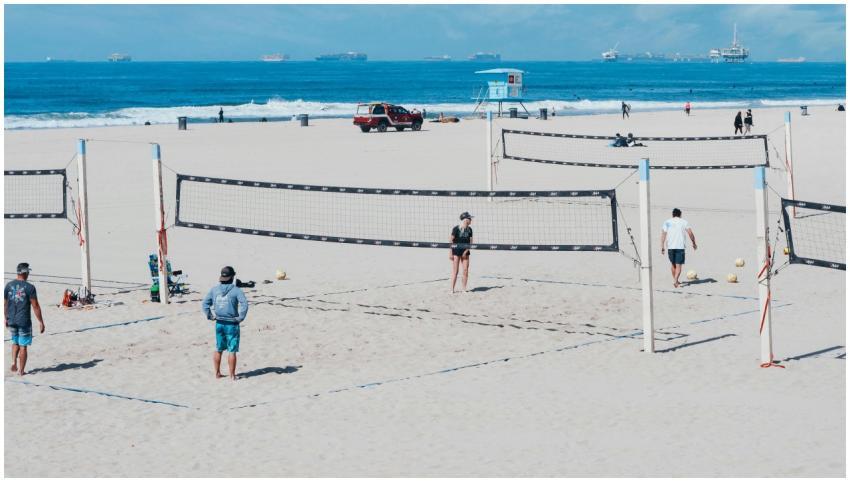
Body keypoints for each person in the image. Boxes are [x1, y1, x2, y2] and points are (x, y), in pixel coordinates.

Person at [202, 266, 249, 380]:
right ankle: (232, 375)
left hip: (219, 322)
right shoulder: (236, 290)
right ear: (232, 277)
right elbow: (245, 304)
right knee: (232, 351)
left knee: (219, 348)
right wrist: (240, 317)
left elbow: (205, 304)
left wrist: (210, 316)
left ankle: (217, 373)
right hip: (232, 324)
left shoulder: (214, 290)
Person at [4, 263, 45, 376]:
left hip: (11, 319)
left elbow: (5, 304)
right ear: (24, 272)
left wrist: (5, 318)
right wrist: (41, 322)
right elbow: (35, 305)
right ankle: (21, 370)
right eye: (28, 272)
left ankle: (13, 362)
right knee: (23, 346)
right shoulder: (30, 288)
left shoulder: (8, 285)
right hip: (24, 321)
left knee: (15, 341)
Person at [660, 209, 697, 288]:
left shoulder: (667, 222)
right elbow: (690, 233)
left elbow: (663, 234)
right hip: (680, 247)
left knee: (673, 265)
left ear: (673, 214)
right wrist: (694, 243)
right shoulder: (683, 222)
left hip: (670, 247)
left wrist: (662, 246)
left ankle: (675, 281)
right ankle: (675, 281)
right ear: (680, 215)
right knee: (679, 266)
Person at [449, 212, 474, 293]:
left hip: (465, 250)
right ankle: (452, 289)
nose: (471, 220)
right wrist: (450, 252)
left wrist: (466, 251)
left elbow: (471, 242)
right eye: (470, 218)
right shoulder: (456, 228)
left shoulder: (470, 229)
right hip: (456, 250)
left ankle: (464, 289)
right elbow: (451, 240)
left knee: (465, 270)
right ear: (466, 220)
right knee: (455, 271)